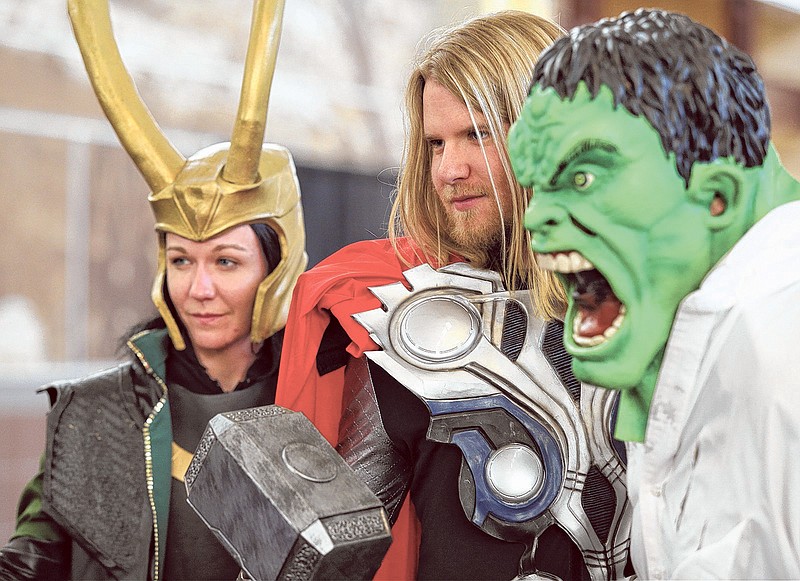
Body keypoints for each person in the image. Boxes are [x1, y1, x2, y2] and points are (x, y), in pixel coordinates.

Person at [276, 10, 632, 580]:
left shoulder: (657, 313)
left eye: (478, 133)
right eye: (436, 143)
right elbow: (327, 550)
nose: (449, 168)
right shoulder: (414, 330)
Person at [0, 0, 306, 579]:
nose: (200, 288)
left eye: (227, 260)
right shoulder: (94, 414)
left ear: (277, 267)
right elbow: (32, 560)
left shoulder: (326, 403)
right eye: (181, 260)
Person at [509, 7, 800, 578]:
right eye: (536, 185)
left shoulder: (778, 342)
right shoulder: (686, 325)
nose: (537, 215)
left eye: (583, 178)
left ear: (716, 195)